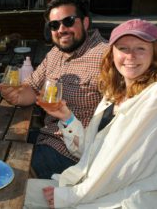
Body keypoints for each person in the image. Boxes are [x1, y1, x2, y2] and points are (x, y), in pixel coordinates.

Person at [24, 19, 157, 209]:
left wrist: (69, 197)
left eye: (141, 48)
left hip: (120, 200)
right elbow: (90, 151)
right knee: (13, 188)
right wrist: (66, 117)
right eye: (123, 48)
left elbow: (119, 170)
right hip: (84, 187)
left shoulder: (152, 98)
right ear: (112, 54)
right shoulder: (113, 96)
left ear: (154, 54)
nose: (130, 56)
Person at [0, 0, 108, 179]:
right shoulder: (56, 52)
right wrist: (16, 94)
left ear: (86, 22)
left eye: (69, 21)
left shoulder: (107, 56)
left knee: (7, 174)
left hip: (73, 155)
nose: (61, 29)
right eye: (54, 25)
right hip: (46, 136)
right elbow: (32, 88)